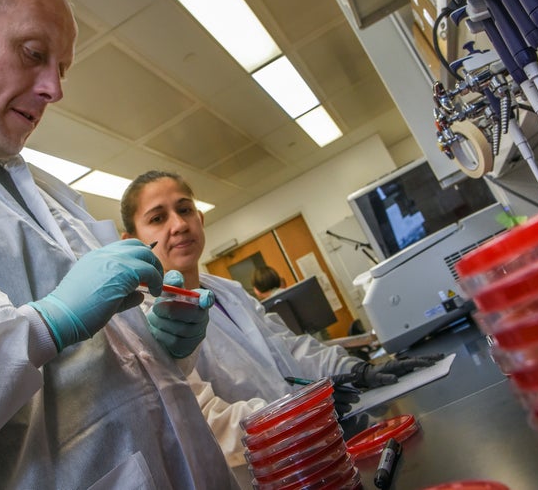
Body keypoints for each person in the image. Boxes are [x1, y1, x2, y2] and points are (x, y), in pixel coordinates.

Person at [0, 0, 239, 489]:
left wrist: (161, 346)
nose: (54, 88)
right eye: (33, 54)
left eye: (62, 68)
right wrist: (42, 326)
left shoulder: (49, 191)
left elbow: (101, 372)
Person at [120, 170, 442, 467]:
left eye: (185, 209)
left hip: (312, 451)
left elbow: (290, 349)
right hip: (261, 472)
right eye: (158, 218)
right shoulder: (145, 320)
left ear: (200, 218)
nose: (178, 224)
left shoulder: (229, 292)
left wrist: (355, 370)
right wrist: (303, 414)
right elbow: (209, 424)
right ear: (131, 242)